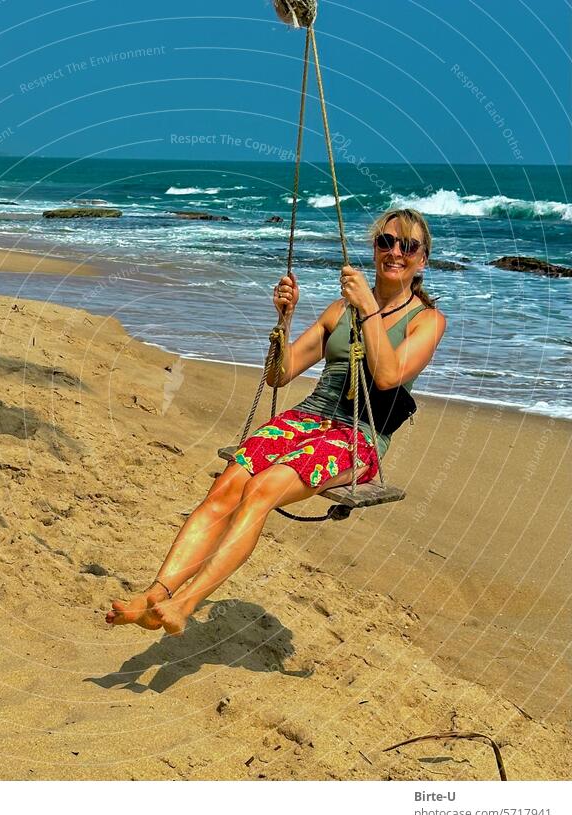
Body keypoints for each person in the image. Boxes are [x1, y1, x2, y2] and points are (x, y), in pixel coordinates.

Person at [107, 207, 447, 636]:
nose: (395, 251)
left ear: (422, 260)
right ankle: (154, 596)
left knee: (260, 489)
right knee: (225, 487)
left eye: (408, 245)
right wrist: (283, 321)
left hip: (357, 435)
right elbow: (278, 374)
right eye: (386, 241)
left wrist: (368, 311)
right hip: (307, 416)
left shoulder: (428, 321)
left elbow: (386, 376)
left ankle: (186, 604)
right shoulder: (340, 310)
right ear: (375, 248)